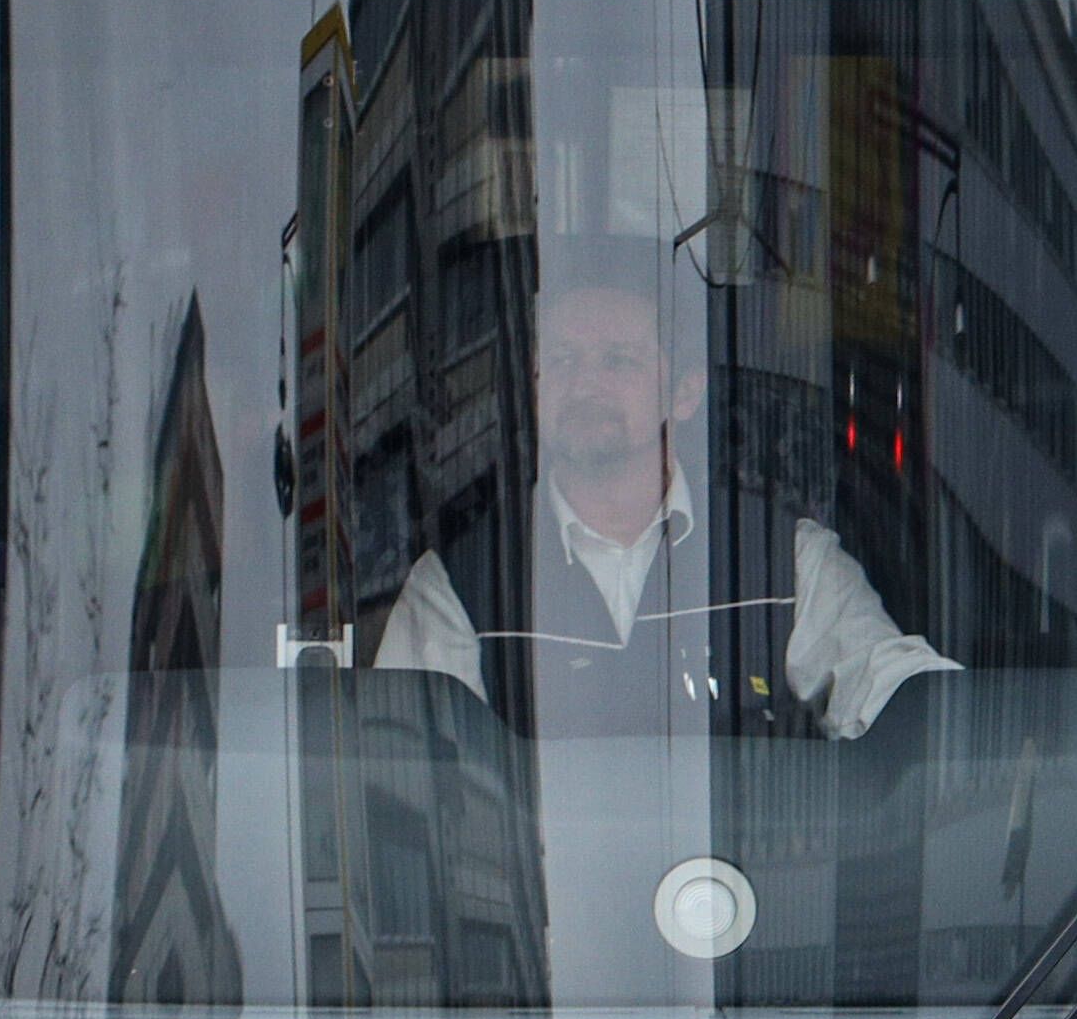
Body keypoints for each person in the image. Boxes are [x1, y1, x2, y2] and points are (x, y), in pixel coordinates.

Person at [359, 267, 951, 731]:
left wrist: (975, 727)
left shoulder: (787, 560)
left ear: (686, 392)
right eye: (562, 361)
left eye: (618, 359)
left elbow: (902, 693)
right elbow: (408, 769)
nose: (585, 383)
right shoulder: (456, 585)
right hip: (542, 889)